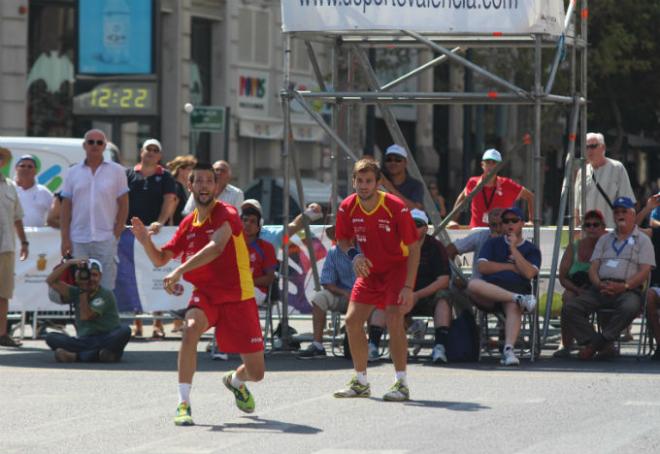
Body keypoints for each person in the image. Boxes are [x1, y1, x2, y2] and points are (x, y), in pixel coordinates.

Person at [131, 162, 265, 426]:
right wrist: (146, 240)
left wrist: (179, 269)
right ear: (189, 186)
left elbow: (216, 247)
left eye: (208, 181)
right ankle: (183, 403)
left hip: (238, 296)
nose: (203, 185)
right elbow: (160, 260)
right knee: (190, 330)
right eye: (198, 181)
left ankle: (235, 381)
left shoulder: (227, 212)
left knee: (256, 373)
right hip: (206, 295)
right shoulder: (187, 224)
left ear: (215, 187)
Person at [333, 158, 420, 402]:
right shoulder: (347, 206)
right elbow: (343, 240)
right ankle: (361, 381)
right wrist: (355, 255)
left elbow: (414, 248)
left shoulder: (395, 206)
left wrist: (408, 287)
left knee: (394, 318)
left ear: (378, 183)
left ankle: (401, 383)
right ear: (353, 182)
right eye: (359, 180)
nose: (363, 185)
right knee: (351, 321)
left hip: (396, 269)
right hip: (369, 270)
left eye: (369, 181)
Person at [562, 197, 655, 360]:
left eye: (623, 211)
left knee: (630, 307)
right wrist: (598, 283)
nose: (620, 215)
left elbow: (645, 271)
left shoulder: (643, 240)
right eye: (616, 212)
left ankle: (595, 345)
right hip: (600, 287)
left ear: (633, 215)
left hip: (628, 289)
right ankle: (600, 344)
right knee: (570, 308)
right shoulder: (605, 239)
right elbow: (593, 267)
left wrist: (625, 286)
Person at [367, 209, 451, 363]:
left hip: (427, 295)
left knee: (443, 298)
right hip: (401, 293)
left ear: (426, 228)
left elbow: (444, 280)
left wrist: (417, 295)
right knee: (382, 298)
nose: (412, 228)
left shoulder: (435, 247)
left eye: (417, 225)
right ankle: (372, 346)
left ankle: (440, 347)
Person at [466, 206, 540, 366]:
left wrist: (513, 248)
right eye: (506, 221)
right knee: (473, 284)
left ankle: (508, 350)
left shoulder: (531, 249)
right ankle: (519, 298)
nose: (509, 224)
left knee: (513, 305)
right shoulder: (492, 243)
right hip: (491, 291)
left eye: (514, 220)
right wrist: (512, 267)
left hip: (516, 288)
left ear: (522, 224)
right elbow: (483, 267)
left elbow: (529, 273)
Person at [60, 129, 129, 291]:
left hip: (106, 238)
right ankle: (82, 316)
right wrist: (65, 238)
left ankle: (103, 317)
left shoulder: (117, 171)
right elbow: (65, 207)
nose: (95, 145)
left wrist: (116, 233)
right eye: (91, 142)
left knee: (106, 287)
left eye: (99, 142)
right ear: (84, 146)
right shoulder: (72, 172)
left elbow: (124, 204)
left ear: (105, 146)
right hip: (78, 239)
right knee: (80, 287)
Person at [126, 139, 177, 338]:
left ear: (160, 156)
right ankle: (136, 322)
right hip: (131, 234)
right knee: (134, 277)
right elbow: (121, 200)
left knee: (156, 275)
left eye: (156, 150)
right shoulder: (129, 174)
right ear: (141, 152)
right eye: (149, 149)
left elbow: (170, 200)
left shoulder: (165, 176)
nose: (151, 152)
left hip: (155, 233)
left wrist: (161, 222)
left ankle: (157, 323)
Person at [44, 258, 131, 362]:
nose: (90, 279)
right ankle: (100, 355)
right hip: (85, 339)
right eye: (87, 275)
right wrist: (68, 263)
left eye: (95, 275)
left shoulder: (105, 294)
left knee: (124, 331)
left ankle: (76, 356)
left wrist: (83, 289)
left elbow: (86, 316)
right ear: (79, 276)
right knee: (51, 337)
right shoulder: (76, 291)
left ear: (100, 277)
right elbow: (50, 281)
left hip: (106, 336)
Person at [554, 210, 607, 358]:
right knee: (568, 298)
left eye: (596, 224)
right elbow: (563, 277)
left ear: (603, 227)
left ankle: (604, 342)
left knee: (608, 297)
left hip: (600, 287)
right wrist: (576, 289)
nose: (592, 228)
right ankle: (566, 342)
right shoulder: (574, 247)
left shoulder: (609, 246)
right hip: (576, 286)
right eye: (588, 225)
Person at [297, 225, 356, 359]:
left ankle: (371, 345)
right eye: (339, 235)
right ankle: (317, 344)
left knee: (372, 301)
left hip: (364, 296)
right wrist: (344, 293)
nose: (343, 237)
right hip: (343, 295)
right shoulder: (334, 252)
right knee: (319, 298)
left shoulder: (365, 250)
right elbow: (327, 282)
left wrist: (358, 293)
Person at [448, 149, 534, 228]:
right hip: (477, 232)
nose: (491, 165)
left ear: (499, 166)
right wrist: (453, 220)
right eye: (488, 162)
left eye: (494, 162)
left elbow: (530, 197)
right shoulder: (473, 182)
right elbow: (462, 197)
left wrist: (531, 221)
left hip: (500, 234)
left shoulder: (507, 184)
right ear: (482, 165)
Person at [574, 132, 636, 228]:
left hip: (610, 232)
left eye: (593, 146)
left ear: (603, 147)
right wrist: (576, 232)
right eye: (586, 147)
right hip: (587, 232)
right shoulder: (581, 172)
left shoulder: (617, 168)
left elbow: (627, 203)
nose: (589, 150)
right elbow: (576, 208)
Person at [0, 147, 29, 347]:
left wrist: (24, 242)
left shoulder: (10, 186)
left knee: (3, 293)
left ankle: (1, 334)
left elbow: (17, 217)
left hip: (6, 247)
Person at [379, 144, 425, 210]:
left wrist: (391, 189)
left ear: (405, 163)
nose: (393, 163)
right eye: (389, 160)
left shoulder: (416, 185)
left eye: (397, 160)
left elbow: (416, 209)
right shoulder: (379, 180)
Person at [14, 154, 53, 227]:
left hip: (36, 237)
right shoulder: (7, 188)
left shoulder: (43, 192)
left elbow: (56, 214)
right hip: (9, 236)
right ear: (16, 168)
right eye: (22, 166)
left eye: (30, 167)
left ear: (35, 171)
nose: (26, 169)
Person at [166, 154, 197, 226]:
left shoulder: (181, 187)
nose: (193, 172)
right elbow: (170, 212)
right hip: (174, 229)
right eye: (189, 169)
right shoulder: (176, 187)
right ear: (180, 170)